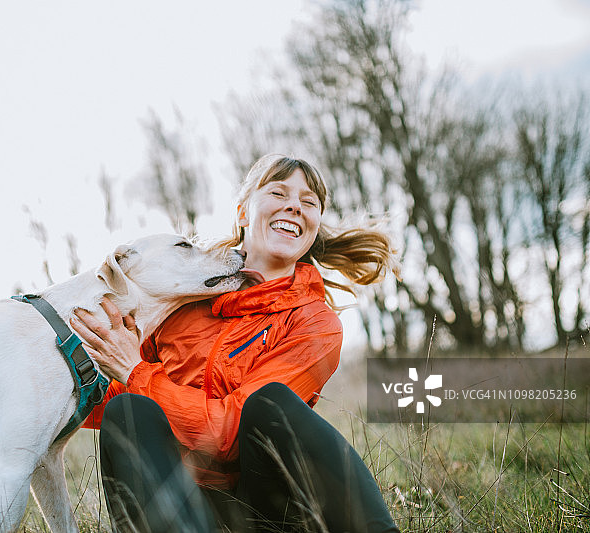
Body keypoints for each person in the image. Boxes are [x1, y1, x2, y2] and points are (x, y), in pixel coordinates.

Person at [71, 154, 400, 533]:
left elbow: (226, 434)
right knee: (127, 411)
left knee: (269, 403)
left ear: (312, 226)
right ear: (243, 213)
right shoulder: (182, 302)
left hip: (268, 512)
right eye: (279, 192)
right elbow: (103, 395)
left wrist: (136, 372)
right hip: (183, 509)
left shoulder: (314, 323)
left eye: (309, 202)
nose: (295, 205)